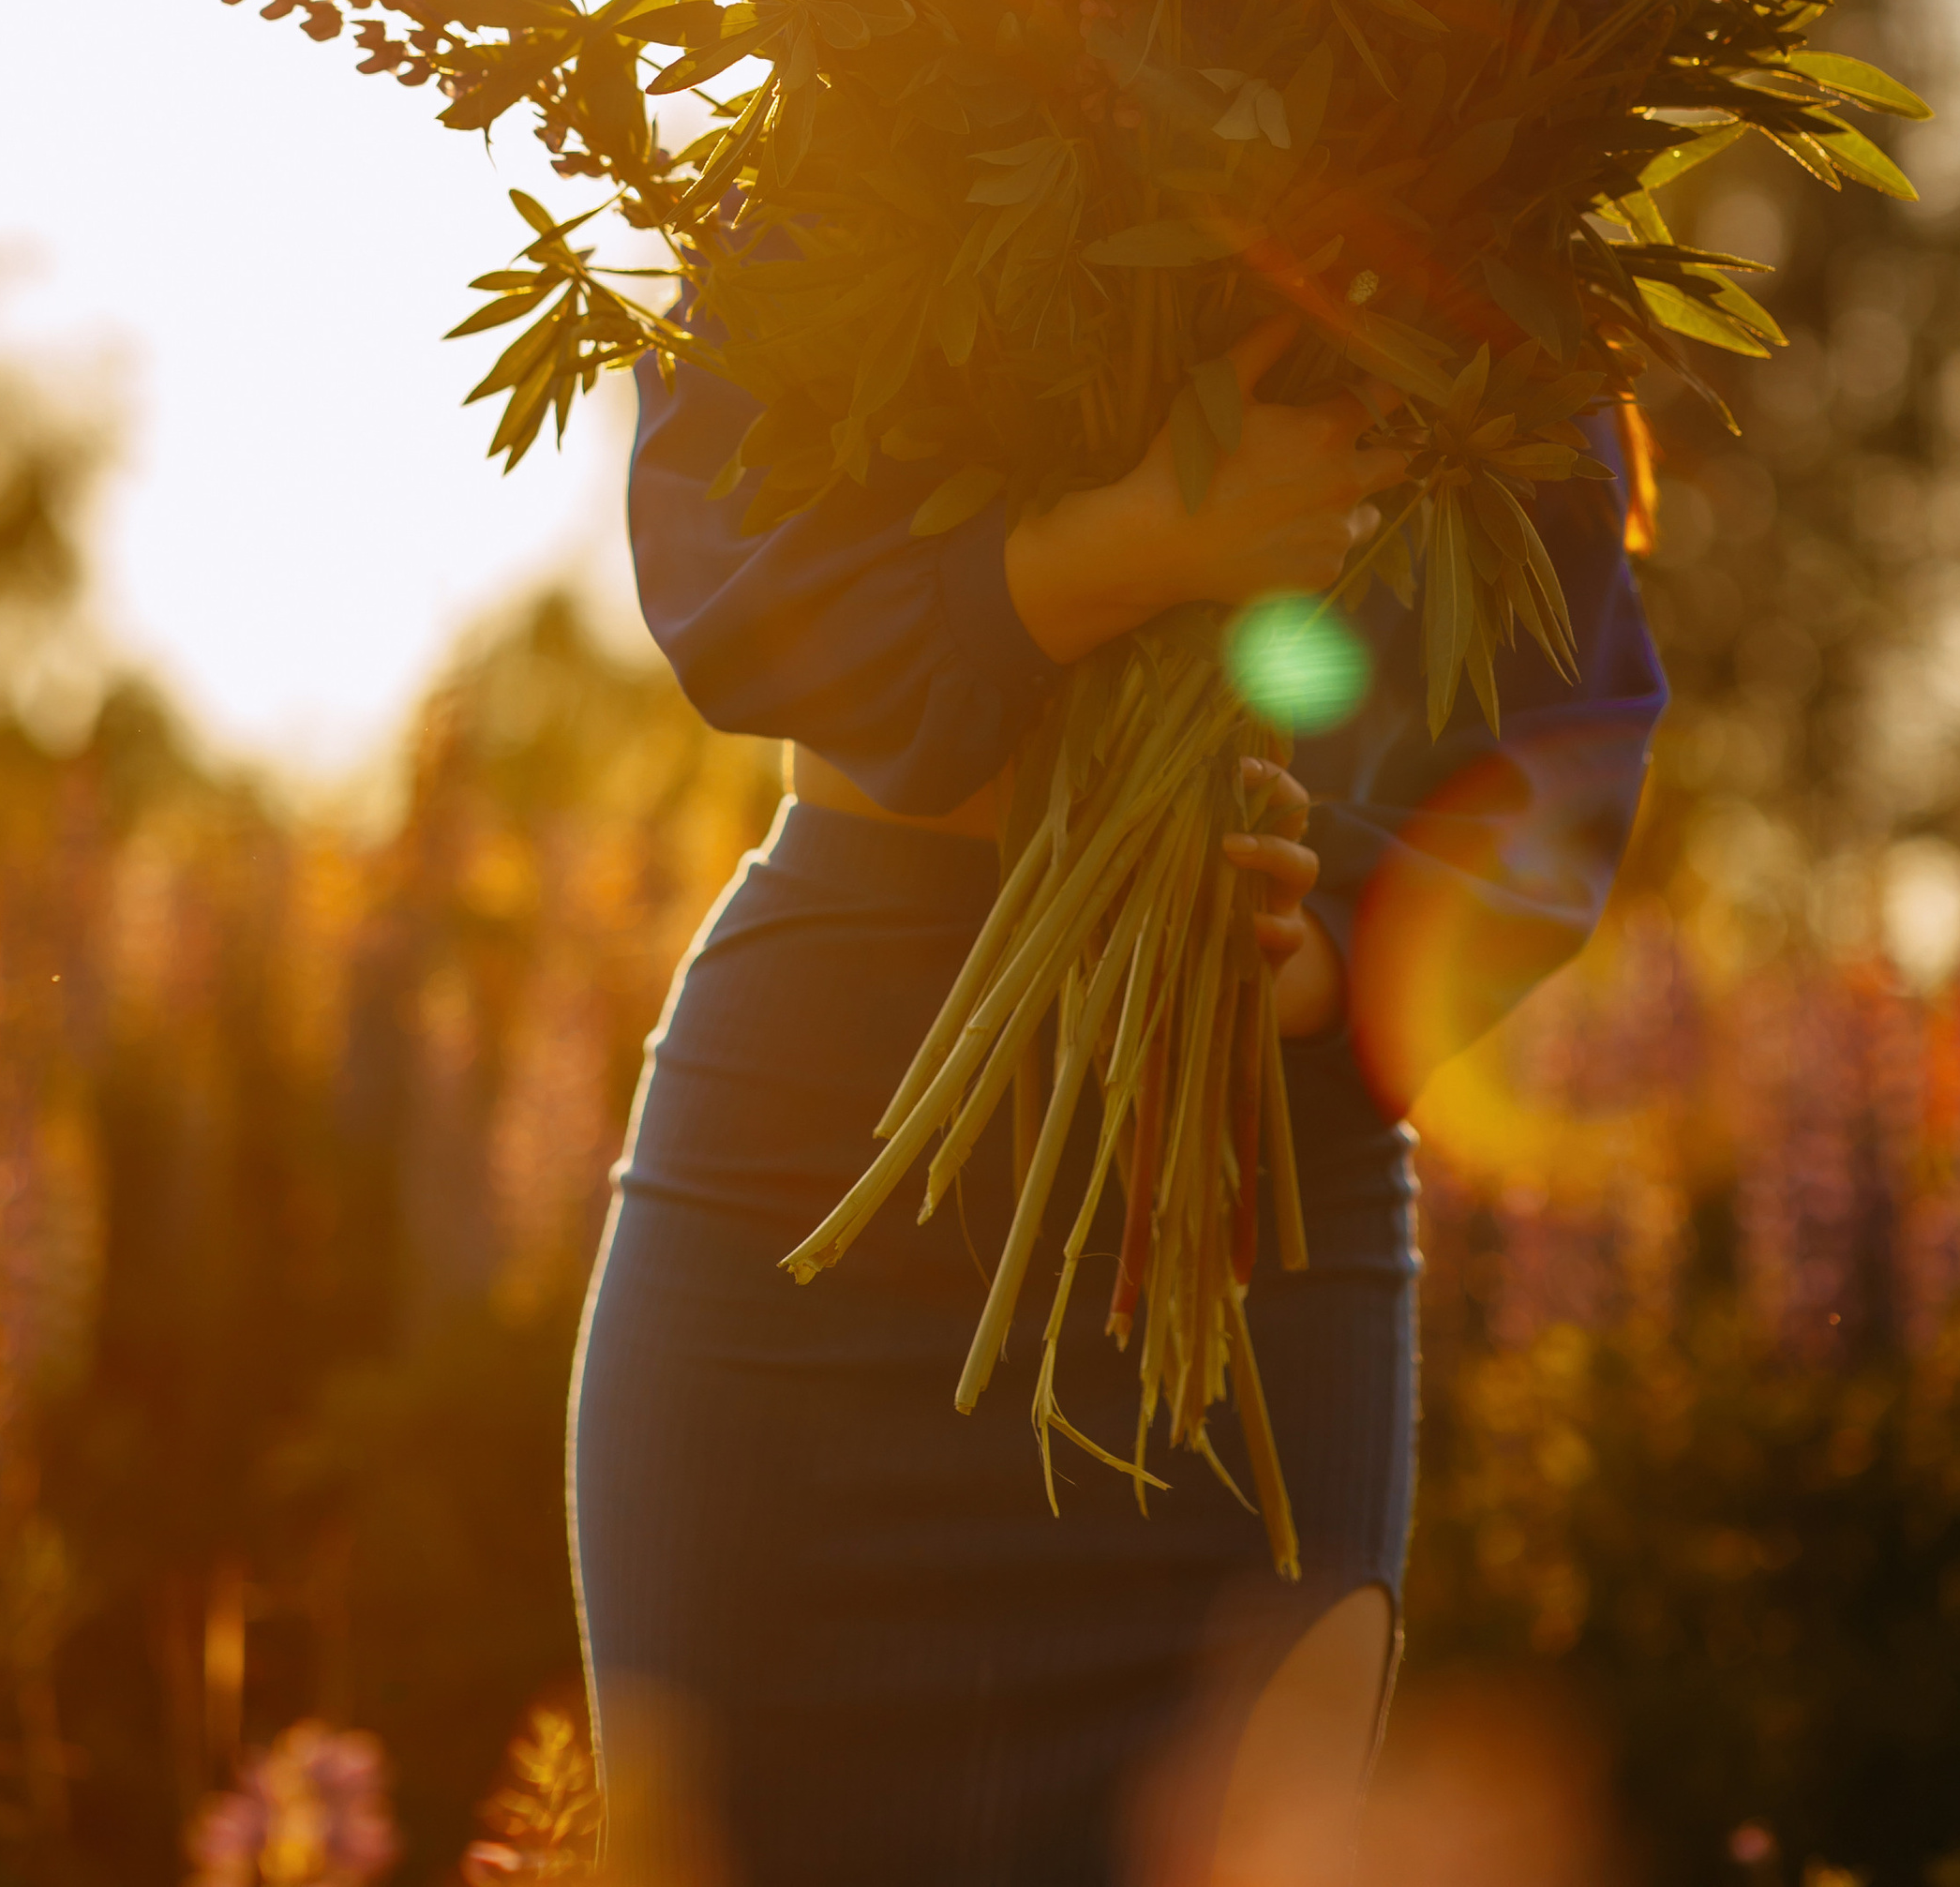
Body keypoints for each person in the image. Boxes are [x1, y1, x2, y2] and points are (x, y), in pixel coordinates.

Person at [570, 322, 1666, 1886]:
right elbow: (730, 566)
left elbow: (1559, 744)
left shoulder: (1499, 242)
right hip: (809, 1149)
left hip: (1253, 1181)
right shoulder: (842, 144)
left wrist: (1319, 955)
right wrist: (1130, 548)